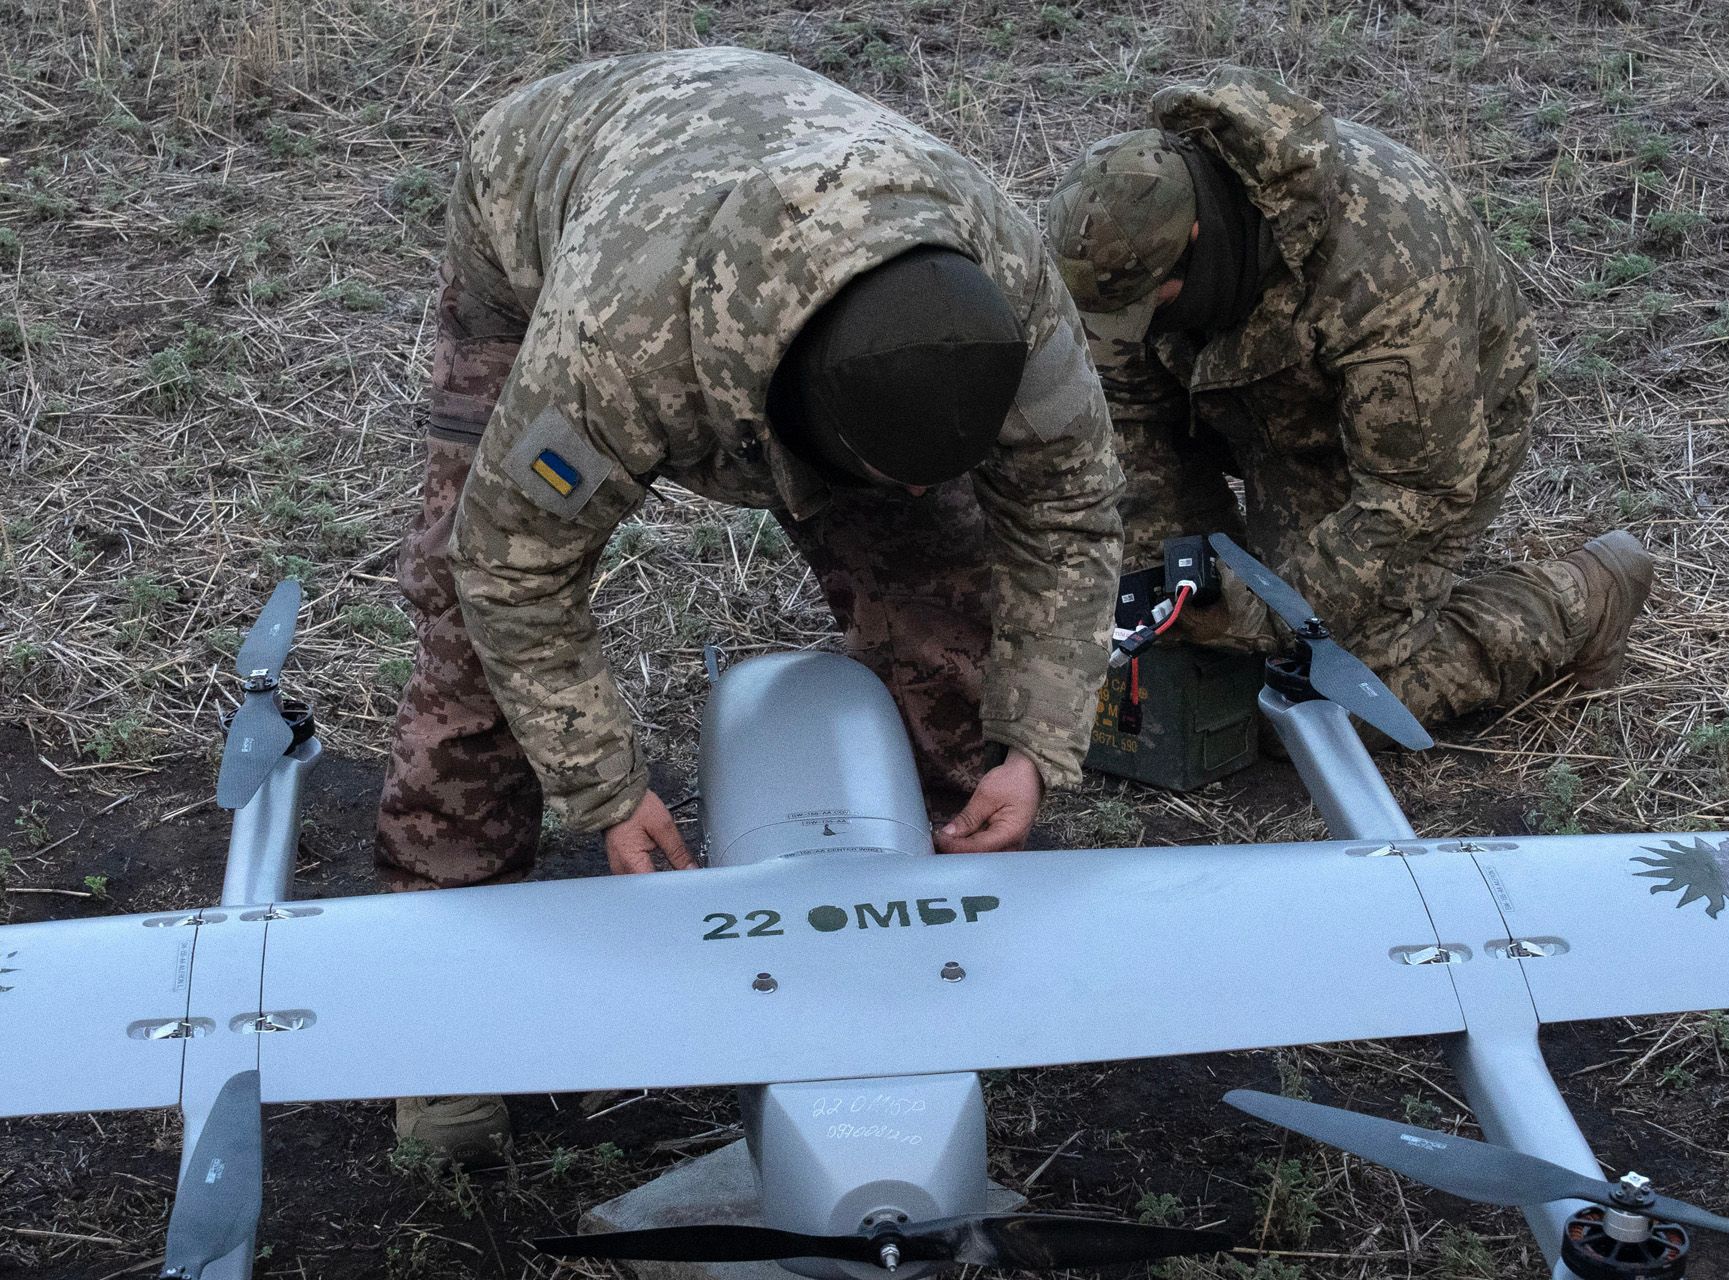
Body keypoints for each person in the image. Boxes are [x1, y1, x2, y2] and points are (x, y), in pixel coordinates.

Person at [377, 47, 1122, 1161]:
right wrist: (604, 787)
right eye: (894, 472)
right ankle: (439, 1019)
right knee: (472, 646)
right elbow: (512, 566)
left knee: (943, 590)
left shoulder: (1007, 296)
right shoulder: (616, 347)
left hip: (793, 204)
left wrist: (1036, 745)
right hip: (554, 198)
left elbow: (1071, 517)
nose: (920, 492)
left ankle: (915, 950)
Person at [1046, 67, 1652, 728]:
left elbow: (1409, 494)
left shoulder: (1389, 275)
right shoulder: (1125, 225)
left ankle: (1581, 599)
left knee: (1323, 704)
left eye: (1145, 304)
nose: (1128, 324)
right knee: (1194, 672)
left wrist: (1258, 615)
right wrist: (1171, 588)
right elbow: (1127, 410)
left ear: (1193, 241)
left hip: (1418, 449)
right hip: (1258, 405)